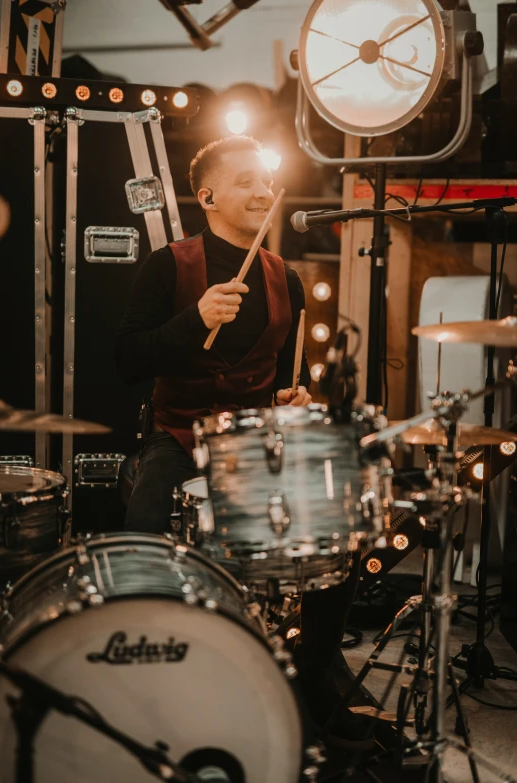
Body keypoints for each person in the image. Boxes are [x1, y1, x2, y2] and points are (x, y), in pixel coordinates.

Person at [116, 135, 370, 750]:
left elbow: (283, 377)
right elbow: (125, 360)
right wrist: (193, 320)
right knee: (144, 540)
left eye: (266, 180)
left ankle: (311, 678)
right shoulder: (168, 265)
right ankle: (145, 692)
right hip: (179, 434)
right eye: (244, 182)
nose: (263, 192)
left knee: (335, 531)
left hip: (254, 441)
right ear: (206, 196)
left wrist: (292, 398)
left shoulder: (287, 276)